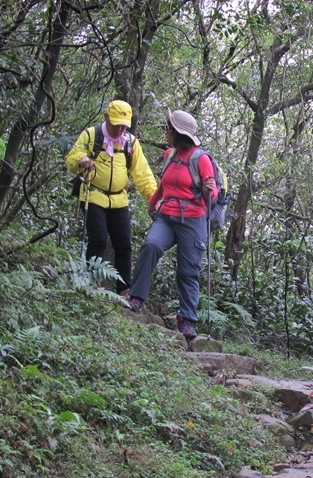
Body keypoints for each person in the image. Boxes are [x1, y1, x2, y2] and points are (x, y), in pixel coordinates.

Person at [128, 109, 217, 340]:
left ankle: (186, 320)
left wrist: (210, 190)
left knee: (188, 271)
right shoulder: (169, 154)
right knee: (151, 246)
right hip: (166, 216)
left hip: (193, 220)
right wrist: (152, 203)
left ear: (177, 133)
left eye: (167, 128)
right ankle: (136, 298)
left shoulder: (201, 159)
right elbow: (163, 185)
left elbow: (213, 193)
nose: (165, 132)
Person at [65, 100, 157, 298]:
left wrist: (153, 197)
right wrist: (82, 160)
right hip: (93, 194)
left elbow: (142, 174)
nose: (120, 129)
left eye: (124, 126)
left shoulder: (131, 144)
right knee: (97, 239)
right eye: (116, 124)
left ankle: (124, 290)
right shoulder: (91, 135)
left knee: (123, 244)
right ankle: (93, 283)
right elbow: (71, 159)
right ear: (106, 118)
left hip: (119, 200)